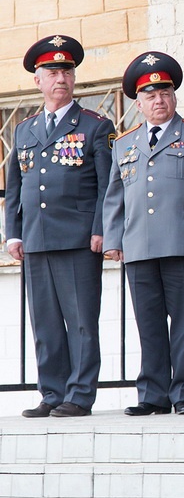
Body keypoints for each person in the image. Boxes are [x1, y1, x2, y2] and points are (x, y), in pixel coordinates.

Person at [103, 52, 184, 416]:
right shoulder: (124, 143)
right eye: (151, 96)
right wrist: (112, 240)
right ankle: (153, 395)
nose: (160, 101)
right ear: (138, 103)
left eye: (166, 93)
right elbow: (114, 196)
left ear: (174, 96)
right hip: (138, 245)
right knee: (150, 324)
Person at [4, 35, 114, 418]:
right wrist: (13, 233)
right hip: (36, 239)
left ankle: (80, 395)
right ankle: (52, 392)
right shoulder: (25, 129)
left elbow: (107, 185)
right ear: (38, 80)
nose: (60, 77)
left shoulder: (96, 125)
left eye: (66, 70)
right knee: (46, 323)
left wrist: (102, 229)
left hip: (79, 239)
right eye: (52, 71)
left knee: (82, 322)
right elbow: (15, 184)